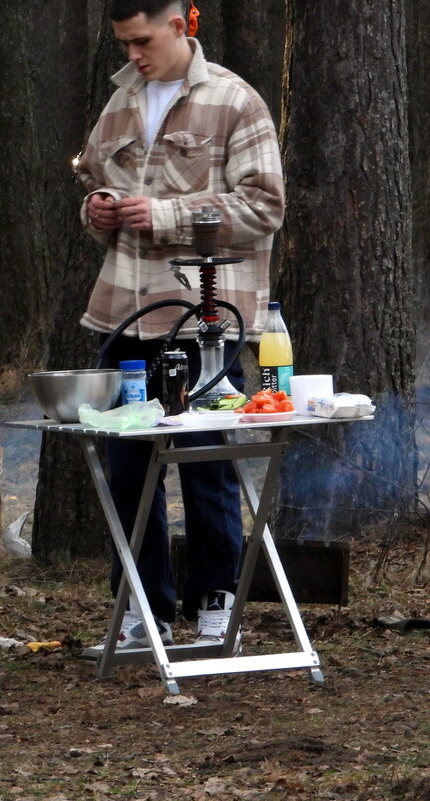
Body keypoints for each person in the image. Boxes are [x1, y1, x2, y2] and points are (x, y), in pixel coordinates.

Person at [73, 0, 285, 651]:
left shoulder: (233, 101)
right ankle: (143, 608)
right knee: (127, 468)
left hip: (202, 321)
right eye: (122, 44)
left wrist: (163, 214)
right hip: (121, 315)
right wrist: (97, 210)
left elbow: (263, 206)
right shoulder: (119, 105)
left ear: (178, 24)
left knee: (204, 461)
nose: (132, 55)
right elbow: (93, 180)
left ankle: (216, 603)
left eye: (141, 40)